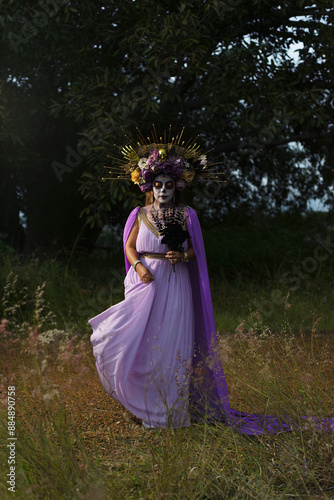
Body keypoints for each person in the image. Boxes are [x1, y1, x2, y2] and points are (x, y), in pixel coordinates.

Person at [89, 130, 334, 434]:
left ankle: (169, 414)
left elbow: (197, 251)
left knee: (170, 344)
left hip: (175, 283)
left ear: (177, 186)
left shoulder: (186, 214)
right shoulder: (139, 214)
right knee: (138, 342)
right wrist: (138, 266)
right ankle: (141, 405)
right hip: (145, 282)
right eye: (157, 185)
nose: (163, 190)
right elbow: (128, 246)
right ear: (148, 187)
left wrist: (183, 256)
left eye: (168, 185)